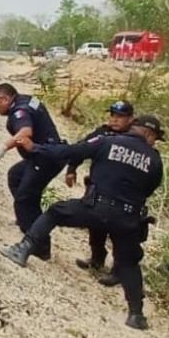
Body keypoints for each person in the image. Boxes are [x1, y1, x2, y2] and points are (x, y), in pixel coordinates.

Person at [0, 115, 165, 330]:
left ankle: (23, 249)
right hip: (127, 218)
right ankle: (136, 315)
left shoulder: (107, 141)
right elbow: (149, 188)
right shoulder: (154, 160)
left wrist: (36, 149)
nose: (154, 142)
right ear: (148, 134)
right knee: (128, 263)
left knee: (55, 212)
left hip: (96, 207)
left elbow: (71, 152)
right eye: (155, 138)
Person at [0, 83, 64, 260]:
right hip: (48, 154)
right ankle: (28, 221)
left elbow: (25, 131)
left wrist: (3, 147)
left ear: (6, 99)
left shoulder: (19, 111)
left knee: (24, 199)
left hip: (45, 159)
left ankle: (37, 246)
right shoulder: (24, 100)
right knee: (15, 176)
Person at [66, 100, 135, 285]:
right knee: (95, 225)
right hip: (99, 188)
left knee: (119, 233)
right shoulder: (102, 133)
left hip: (123, 194)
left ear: (130, 119)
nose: (114, 120)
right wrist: (72, 169)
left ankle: (117, 272)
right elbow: (81, 148)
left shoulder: (134, 138)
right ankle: (97, 259)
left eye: (119, 116)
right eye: (112, 115)